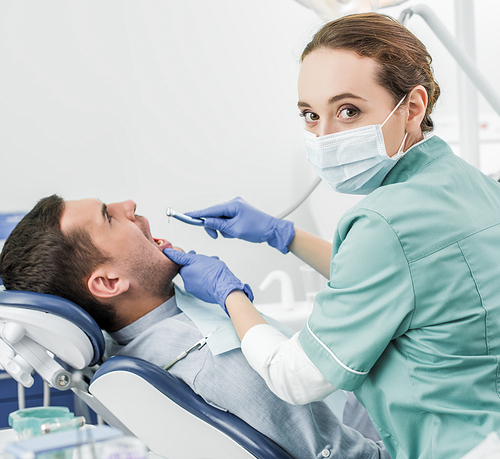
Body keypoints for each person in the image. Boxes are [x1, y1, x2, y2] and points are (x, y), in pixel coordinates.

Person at [163, 12, 500, 459]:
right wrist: (280, 235)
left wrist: (229, 294)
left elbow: (294, 378)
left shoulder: (385, 221)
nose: (323, 136)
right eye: (309, 115)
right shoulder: (468, 182)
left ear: (413, 107)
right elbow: (406, 275)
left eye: (348, 111)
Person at [0, 194, 387, 459]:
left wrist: (35, 329)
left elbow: (73, 323)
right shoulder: (211, 365)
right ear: (108, 283)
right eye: (108, 216)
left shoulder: (131, 332)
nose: (128, 204)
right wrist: (231, 294)